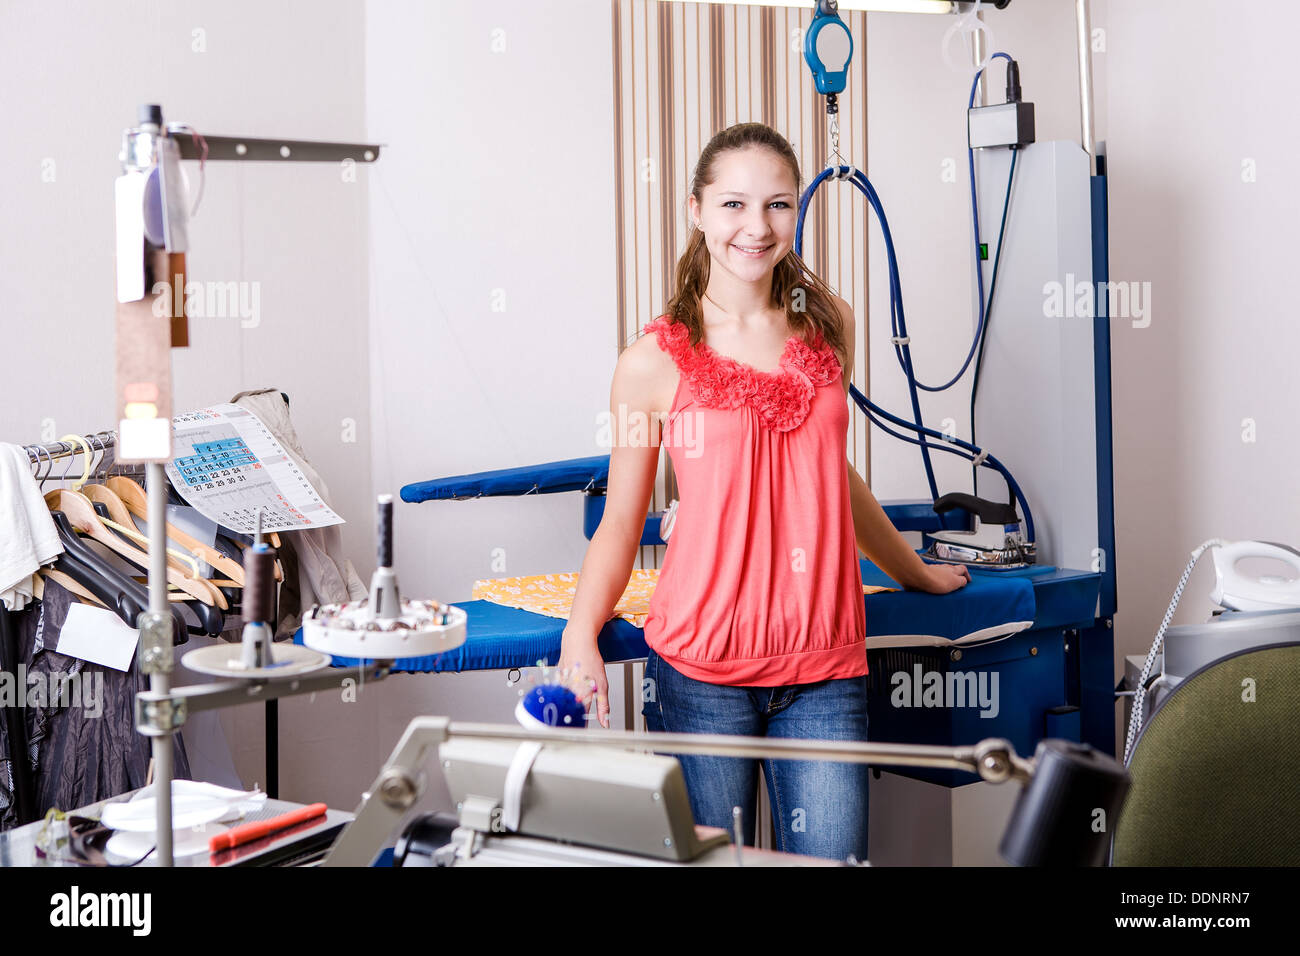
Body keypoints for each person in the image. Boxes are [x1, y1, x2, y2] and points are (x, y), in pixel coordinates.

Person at [559, 121, 969, 861]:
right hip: (701, 669)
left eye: (778, 205)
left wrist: (916, 572)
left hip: (825, 666)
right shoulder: (649, 362)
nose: (756, 227)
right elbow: (622, 522)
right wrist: (578, 633)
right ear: (696, 210)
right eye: (734, 205)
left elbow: (831, 473)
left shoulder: (827, 326)